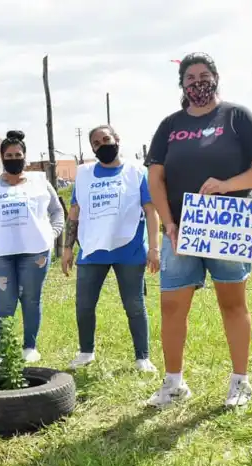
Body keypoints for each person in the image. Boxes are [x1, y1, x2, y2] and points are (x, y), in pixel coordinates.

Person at [144, 52, 252, 408]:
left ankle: (240, 382)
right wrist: (169, 221)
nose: (198, 82)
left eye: (204, 75)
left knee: (232, 304)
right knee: (172, 307)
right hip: (181, 230)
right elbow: (155, 177)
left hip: (227, 224)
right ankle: (173, 384)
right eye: (190, 77)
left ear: (216, 78)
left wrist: (226, 185)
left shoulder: (237, 117)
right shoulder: (170, 125)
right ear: (182, 85)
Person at [61, 124, 160, 372]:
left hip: (130, 249)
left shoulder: (136, 171)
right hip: (92, 250)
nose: (102, 145)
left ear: (117, 139)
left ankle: (142, 357)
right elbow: (75, 211)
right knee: (84, 304)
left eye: (106, 139)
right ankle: (85, 352)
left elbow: (150, 211)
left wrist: (154, 249)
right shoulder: (83, 174)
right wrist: (67, 248)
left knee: (134, 305)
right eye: (96, 143)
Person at [0, 130, 64, 364]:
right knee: (4, 304)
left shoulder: (39, 181)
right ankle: (1, 353)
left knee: (31, 299)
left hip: (35, 254)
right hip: (1, 255)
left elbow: (57, 211)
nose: (14, 158)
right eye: (9, 155)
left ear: (25, 156)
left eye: (18, 154)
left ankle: (30, 347)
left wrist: (52, 235)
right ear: (2, 158)